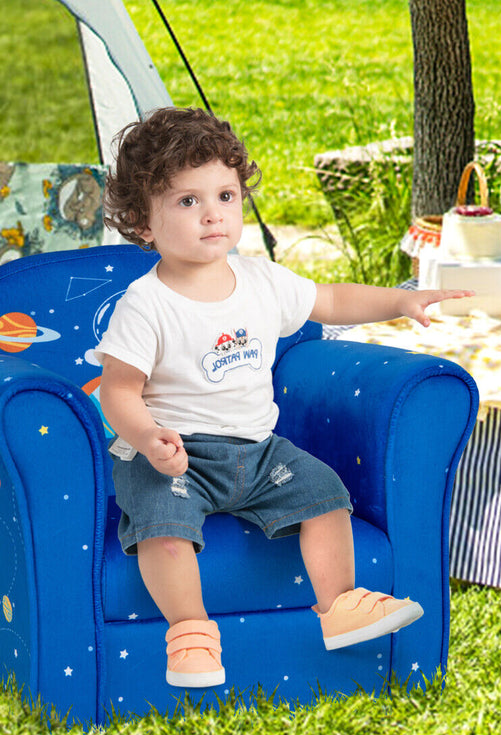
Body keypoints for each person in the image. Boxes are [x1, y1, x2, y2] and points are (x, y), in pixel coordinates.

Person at [96, 107, 472, 688]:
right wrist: (147, 438)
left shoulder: (261, 280)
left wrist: (399, 302)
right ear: (143, 223)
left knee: (325, 493)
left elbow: (333, 301)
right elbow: (118, 391)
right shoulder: (146, 305)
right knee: (161, 524)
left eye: (224, 195)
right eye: (187, 201)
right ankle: (191, 633)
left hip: (256, 452)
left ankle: (340, 606)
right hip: (175, 455)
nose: (212, 214)